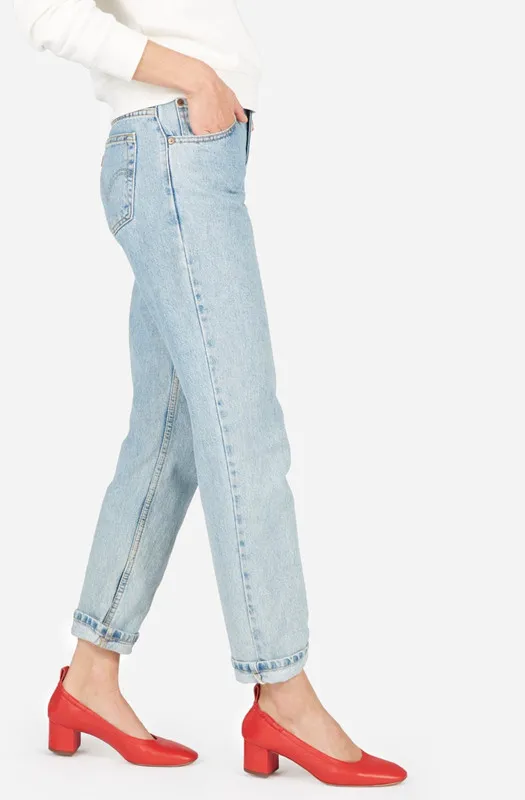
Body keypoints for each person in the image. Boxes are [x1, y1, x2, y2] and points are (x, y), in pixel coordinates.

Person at [14, 0, 406, 787]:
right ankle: (283, 695)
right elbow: (47, 14)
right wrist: (194, 77)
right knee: (245, 432)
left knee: (171, 438)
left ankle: (89, 676)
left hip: (192, 152)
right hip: (173, 150)